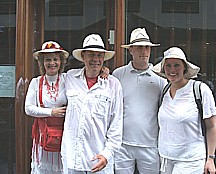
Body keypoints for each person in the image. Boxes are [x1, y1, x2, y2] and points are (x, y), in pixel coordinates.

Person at [61, 33, 123, 174]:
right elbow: (51, 77)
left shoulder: (113, 84)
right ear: (83, 57)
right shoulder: (70, 77)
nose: (95, 59)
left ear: (103, 59)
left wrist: (107, 154)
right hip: (72, 159)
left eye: (99, 55)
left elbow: (117, 125)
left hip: (100, 160)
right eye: (91, 55)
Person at [152, 47, 216, 174]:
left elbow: (211, 126)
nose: (172, 70)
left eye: (177, 65)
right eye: (168, 66)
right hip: (165, 159)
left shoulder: (200, 90)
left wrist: (210, 158)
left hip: (190, 160)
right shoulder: (164, 91)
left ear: (184, 68)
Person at [112, 28, 167, 174]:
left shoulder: (160, 79)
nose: (144, 51)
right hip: (122, 144)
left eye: (147, 47)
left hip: (150, 144)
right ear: (131, 50)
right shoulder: (118, 75)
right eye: (139, 47)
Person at [25, 41, 69, 174]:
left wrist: (103, 70)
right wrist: (51, 112)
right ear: (42, 63)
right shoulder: (36, 82)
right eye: (48, 60)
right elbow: (28, 108)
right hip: (43, 136)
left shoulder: (68, 79)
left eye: (55, 59)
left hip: (63, 136)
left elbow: (88, 74)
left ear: (61, 62)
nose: (52, 63)